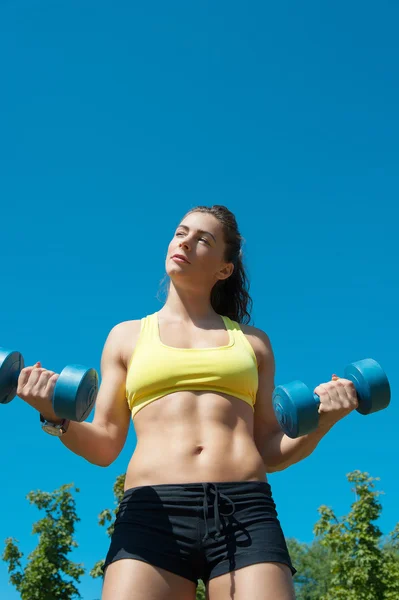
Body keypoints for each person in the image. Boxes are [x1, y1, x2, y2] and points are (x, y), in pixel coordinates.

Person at [17, 205, 359, 600]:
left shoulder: (253, 342)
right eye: (181, 232)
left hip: (244, 509)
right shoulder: (126, 336)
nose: (186, 241)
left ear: (224, 269)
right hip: (152, 511)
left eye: (203, 240)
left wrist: (326, 420)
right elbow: (106, 443)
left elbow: (270, 450)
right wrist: (53, 415)